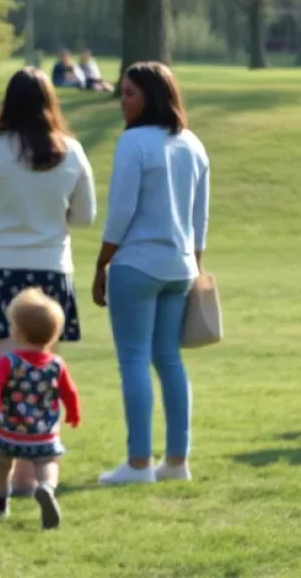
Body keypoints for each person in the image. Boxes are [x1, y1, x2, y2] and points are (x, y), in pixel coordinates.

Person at [0, 68, 94, 492]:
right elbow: (85, 217)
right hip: (50, 269)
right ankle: (33, 473)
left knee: (0, 373)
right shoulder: (71, 150)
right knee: (41, 374)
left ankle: (6, 469)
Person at [92, 62, 210, 486]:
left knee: (135, 363)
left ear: (152, 97)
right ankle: (177, 462)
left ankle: (139, 463)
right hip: (179, 267)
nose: (122, 101)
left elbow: (121, 211)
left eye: (130, 94)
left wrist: (102, 261)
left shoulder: (133, 143)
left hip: (136, 264)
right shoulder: (193, 143)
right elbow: (201, 219)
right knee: (169, 361)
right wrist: (195, 266)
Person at [0, 288, 80, 529]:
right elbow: (69, 392)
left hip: (9, 430)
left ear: (16, 332)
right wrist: (74, 413)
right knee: (48, 462)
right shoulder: (57, 364)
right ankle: (46, 487)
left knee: (1, 462)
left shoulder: (9, 361)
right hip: (42, 433)